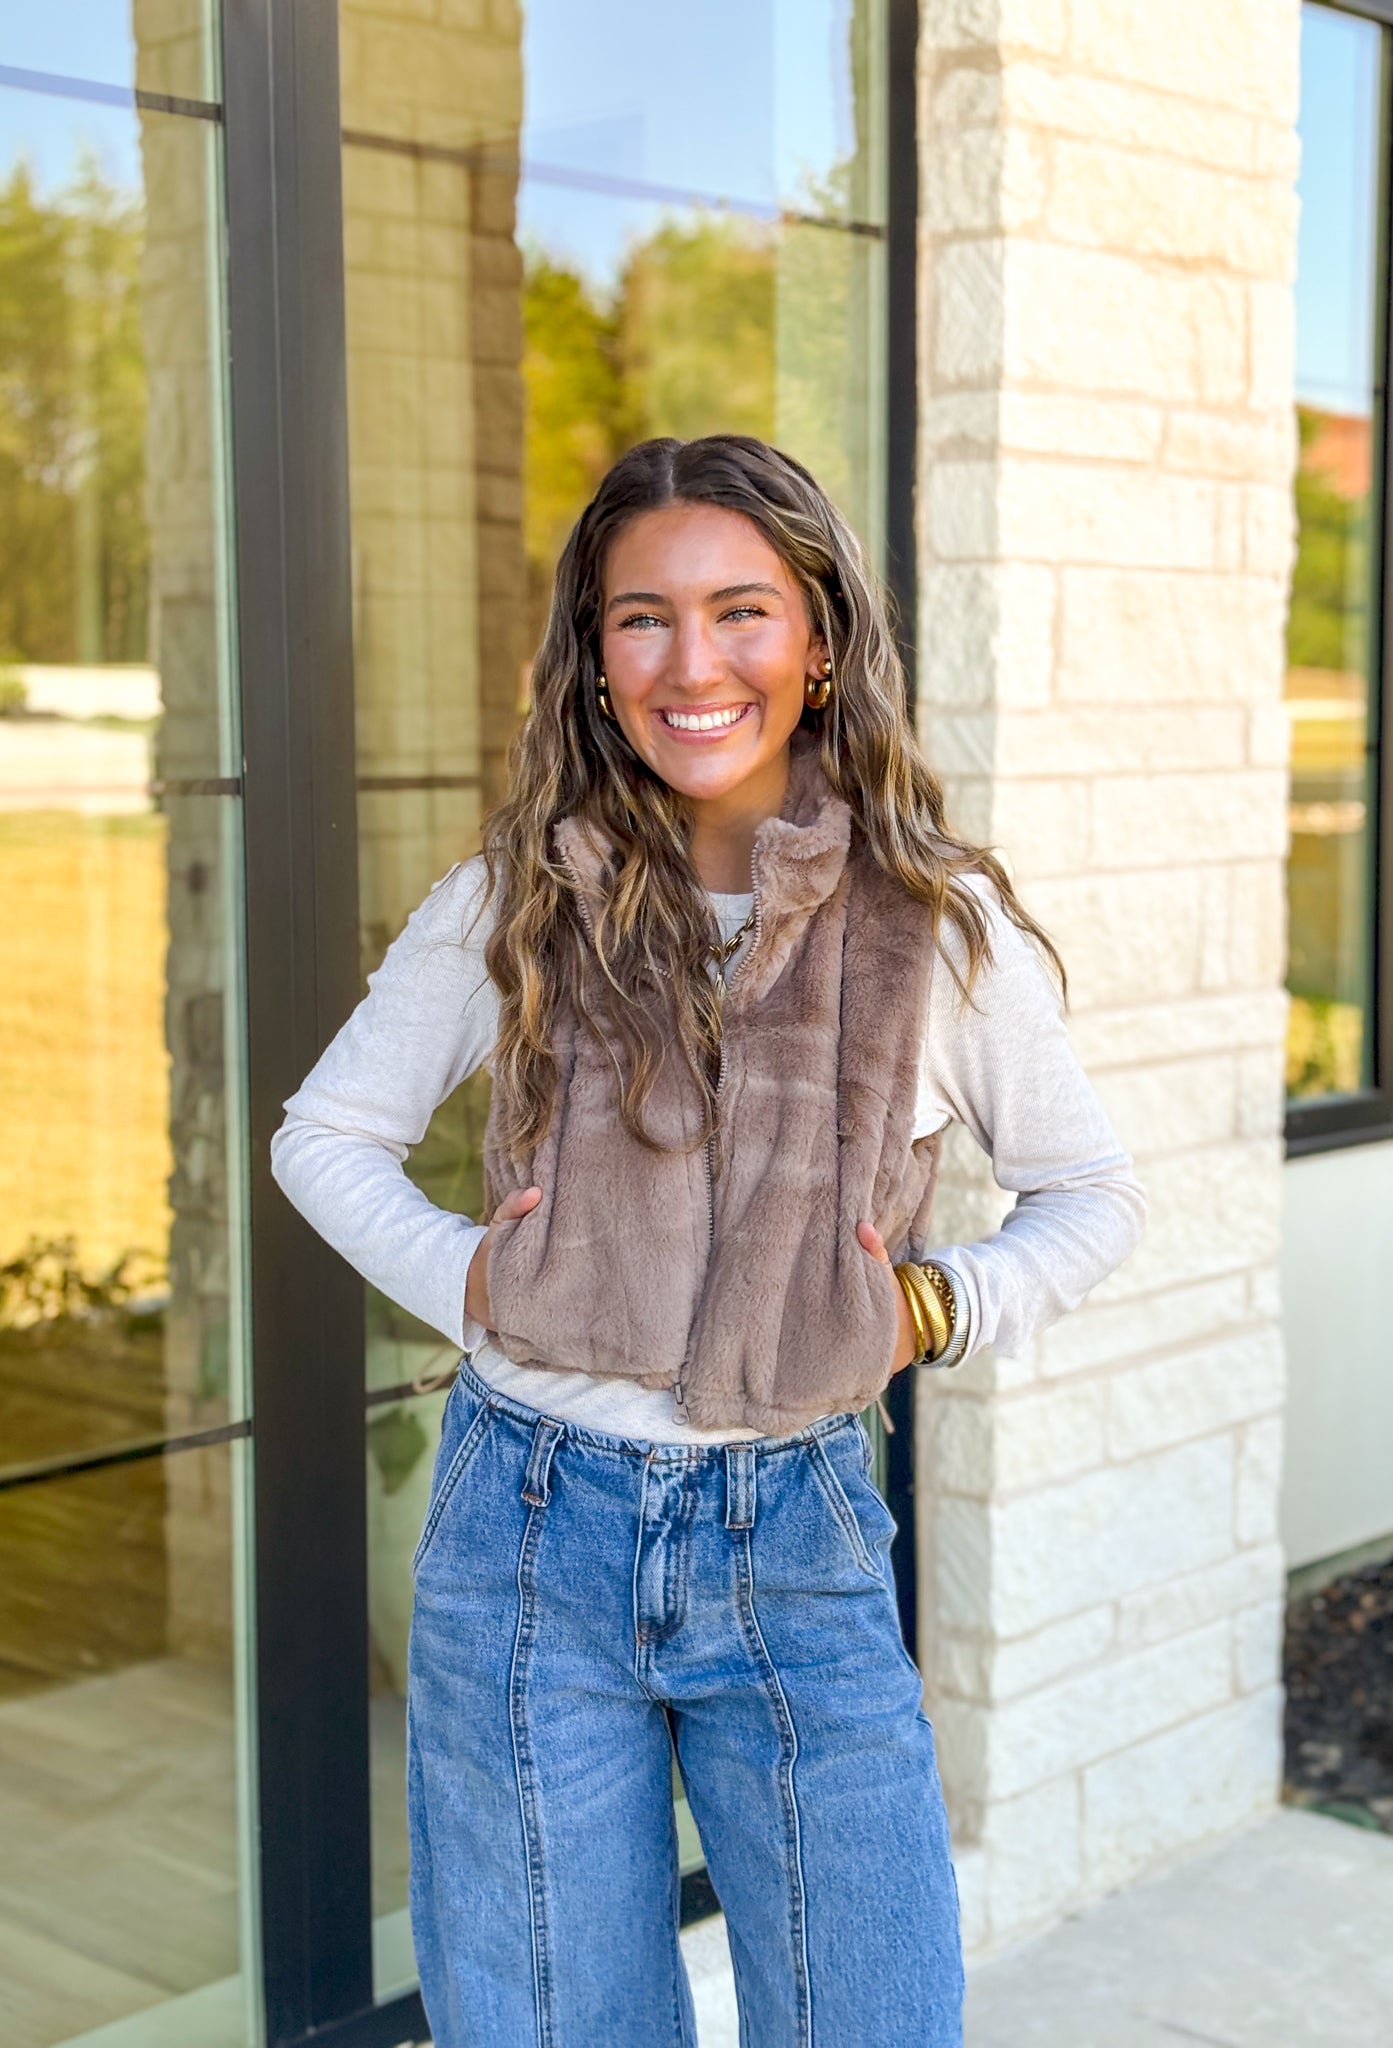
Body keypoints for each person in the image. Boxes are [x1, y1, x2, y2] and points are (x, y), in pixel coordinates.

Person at [271, 433, 1146, 2048]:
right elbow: (322, 1137)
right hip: (527, 1535)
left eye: (740, 611)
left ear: (819, 640)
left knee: (866, 2018)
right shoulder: (515, 899)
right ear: (592, 662)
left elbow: (1093, 1193)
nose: (693, 665)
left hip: (797, 1538)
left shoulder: (932, 927)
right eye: (641, 619)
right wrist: (473, 1277)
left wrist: (929, 1314)